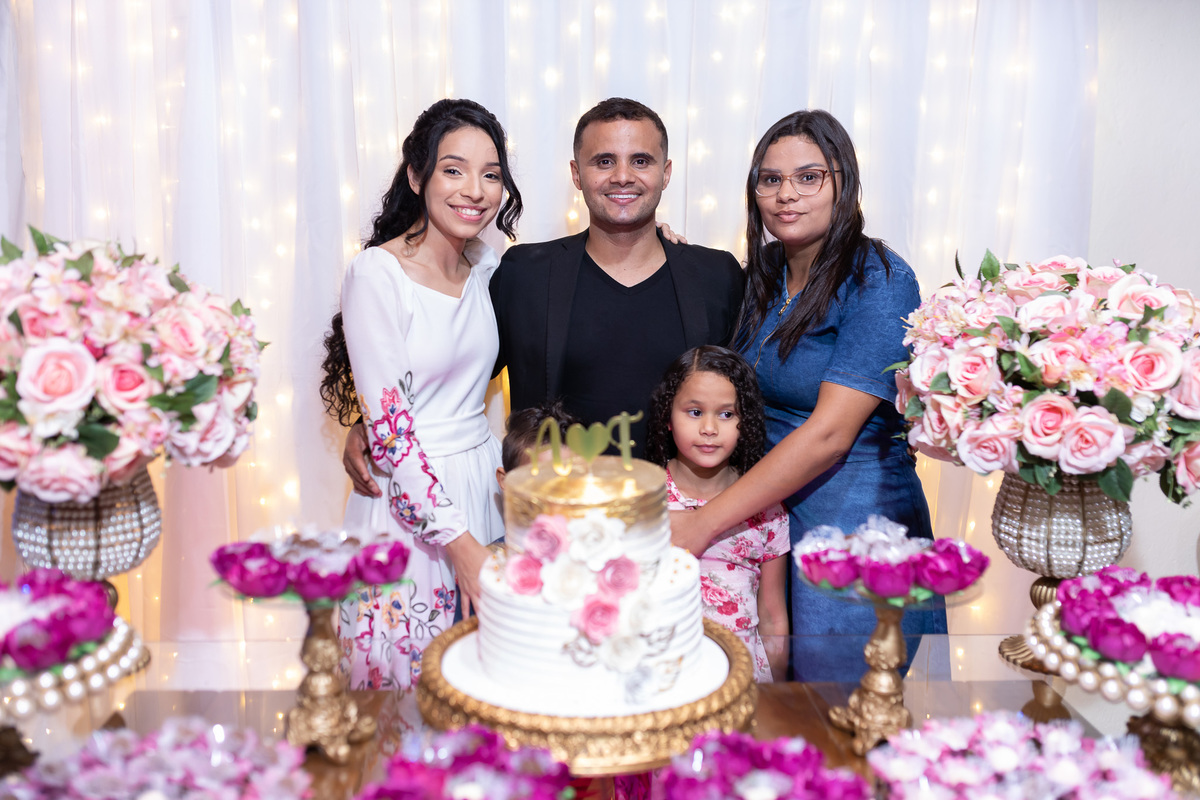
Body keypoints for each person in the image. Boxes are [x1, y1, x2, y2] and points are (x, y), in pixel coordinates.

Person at [341, 98, 746, 495]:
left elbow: (744, 399)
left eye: (641, 161)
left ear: (666, 172)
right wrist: (374, 423)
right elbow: (452, 362)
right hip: (550, 514)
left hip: (684, 518)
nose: (623, 176)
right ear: (576, 173)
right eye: (604, 161)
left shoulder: (716, 276)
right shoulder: (524, 273)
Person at [669, 110, 945, 682]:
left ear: (844, 183)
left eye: (808, 177)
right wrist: (673, 257)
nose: (786, 194)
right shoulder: (767, 270)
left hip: (851, 526)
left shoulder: (880, 279)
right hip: (765, 516)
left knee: (837, 706)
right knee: (754, 690)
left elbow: (828, 436)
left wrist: (702, 523)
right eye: (770, 179)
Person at [318, 99, 522, 690]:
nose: (475, 190)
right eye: (453, 170)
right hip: (409, 500)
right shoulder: (375, 274)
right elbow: (393, 432)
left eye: (491, 174)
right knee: (406, 693)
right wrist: (461, 548)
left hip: (483, 484)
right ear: (416, 176)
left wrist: (659, 238)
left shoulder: (486, 264)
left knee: (485, 687)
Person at [645, 346, 789, 683]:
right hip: (665, 677)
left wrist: (779, 696)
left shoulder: (767, 509)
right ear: (667, 416)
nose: (709, 428)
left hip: (744, 681)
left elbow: (772, 615)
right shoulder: (642, 500)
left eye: (726, 414)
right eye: (695, 412)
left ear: (745, 421)